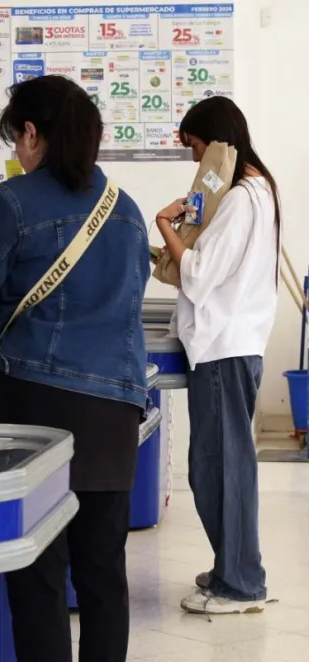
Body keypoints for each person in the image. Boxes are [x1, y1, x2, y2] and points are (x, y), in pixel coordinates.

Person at [0, 75, 151, 662]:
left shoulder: (14, 202)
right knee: (104, 578)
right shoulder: (126, 213)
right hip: (114, 417)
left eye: (15, 139)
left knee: (39, 579)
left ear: (32, 133)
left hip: (34, 407)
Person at [153, 96, 279, 615]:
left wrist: (166, 226)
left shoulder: (242, 199)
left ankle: (240, 583)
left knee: (221, 469)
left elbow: (200, 276)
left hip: (226, 350)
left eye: (196, 148)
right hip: (227, 348)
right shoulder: (252, 193)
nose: (196, 161)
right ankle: (233, 566)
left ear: (217, 143)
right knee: (215, 466)